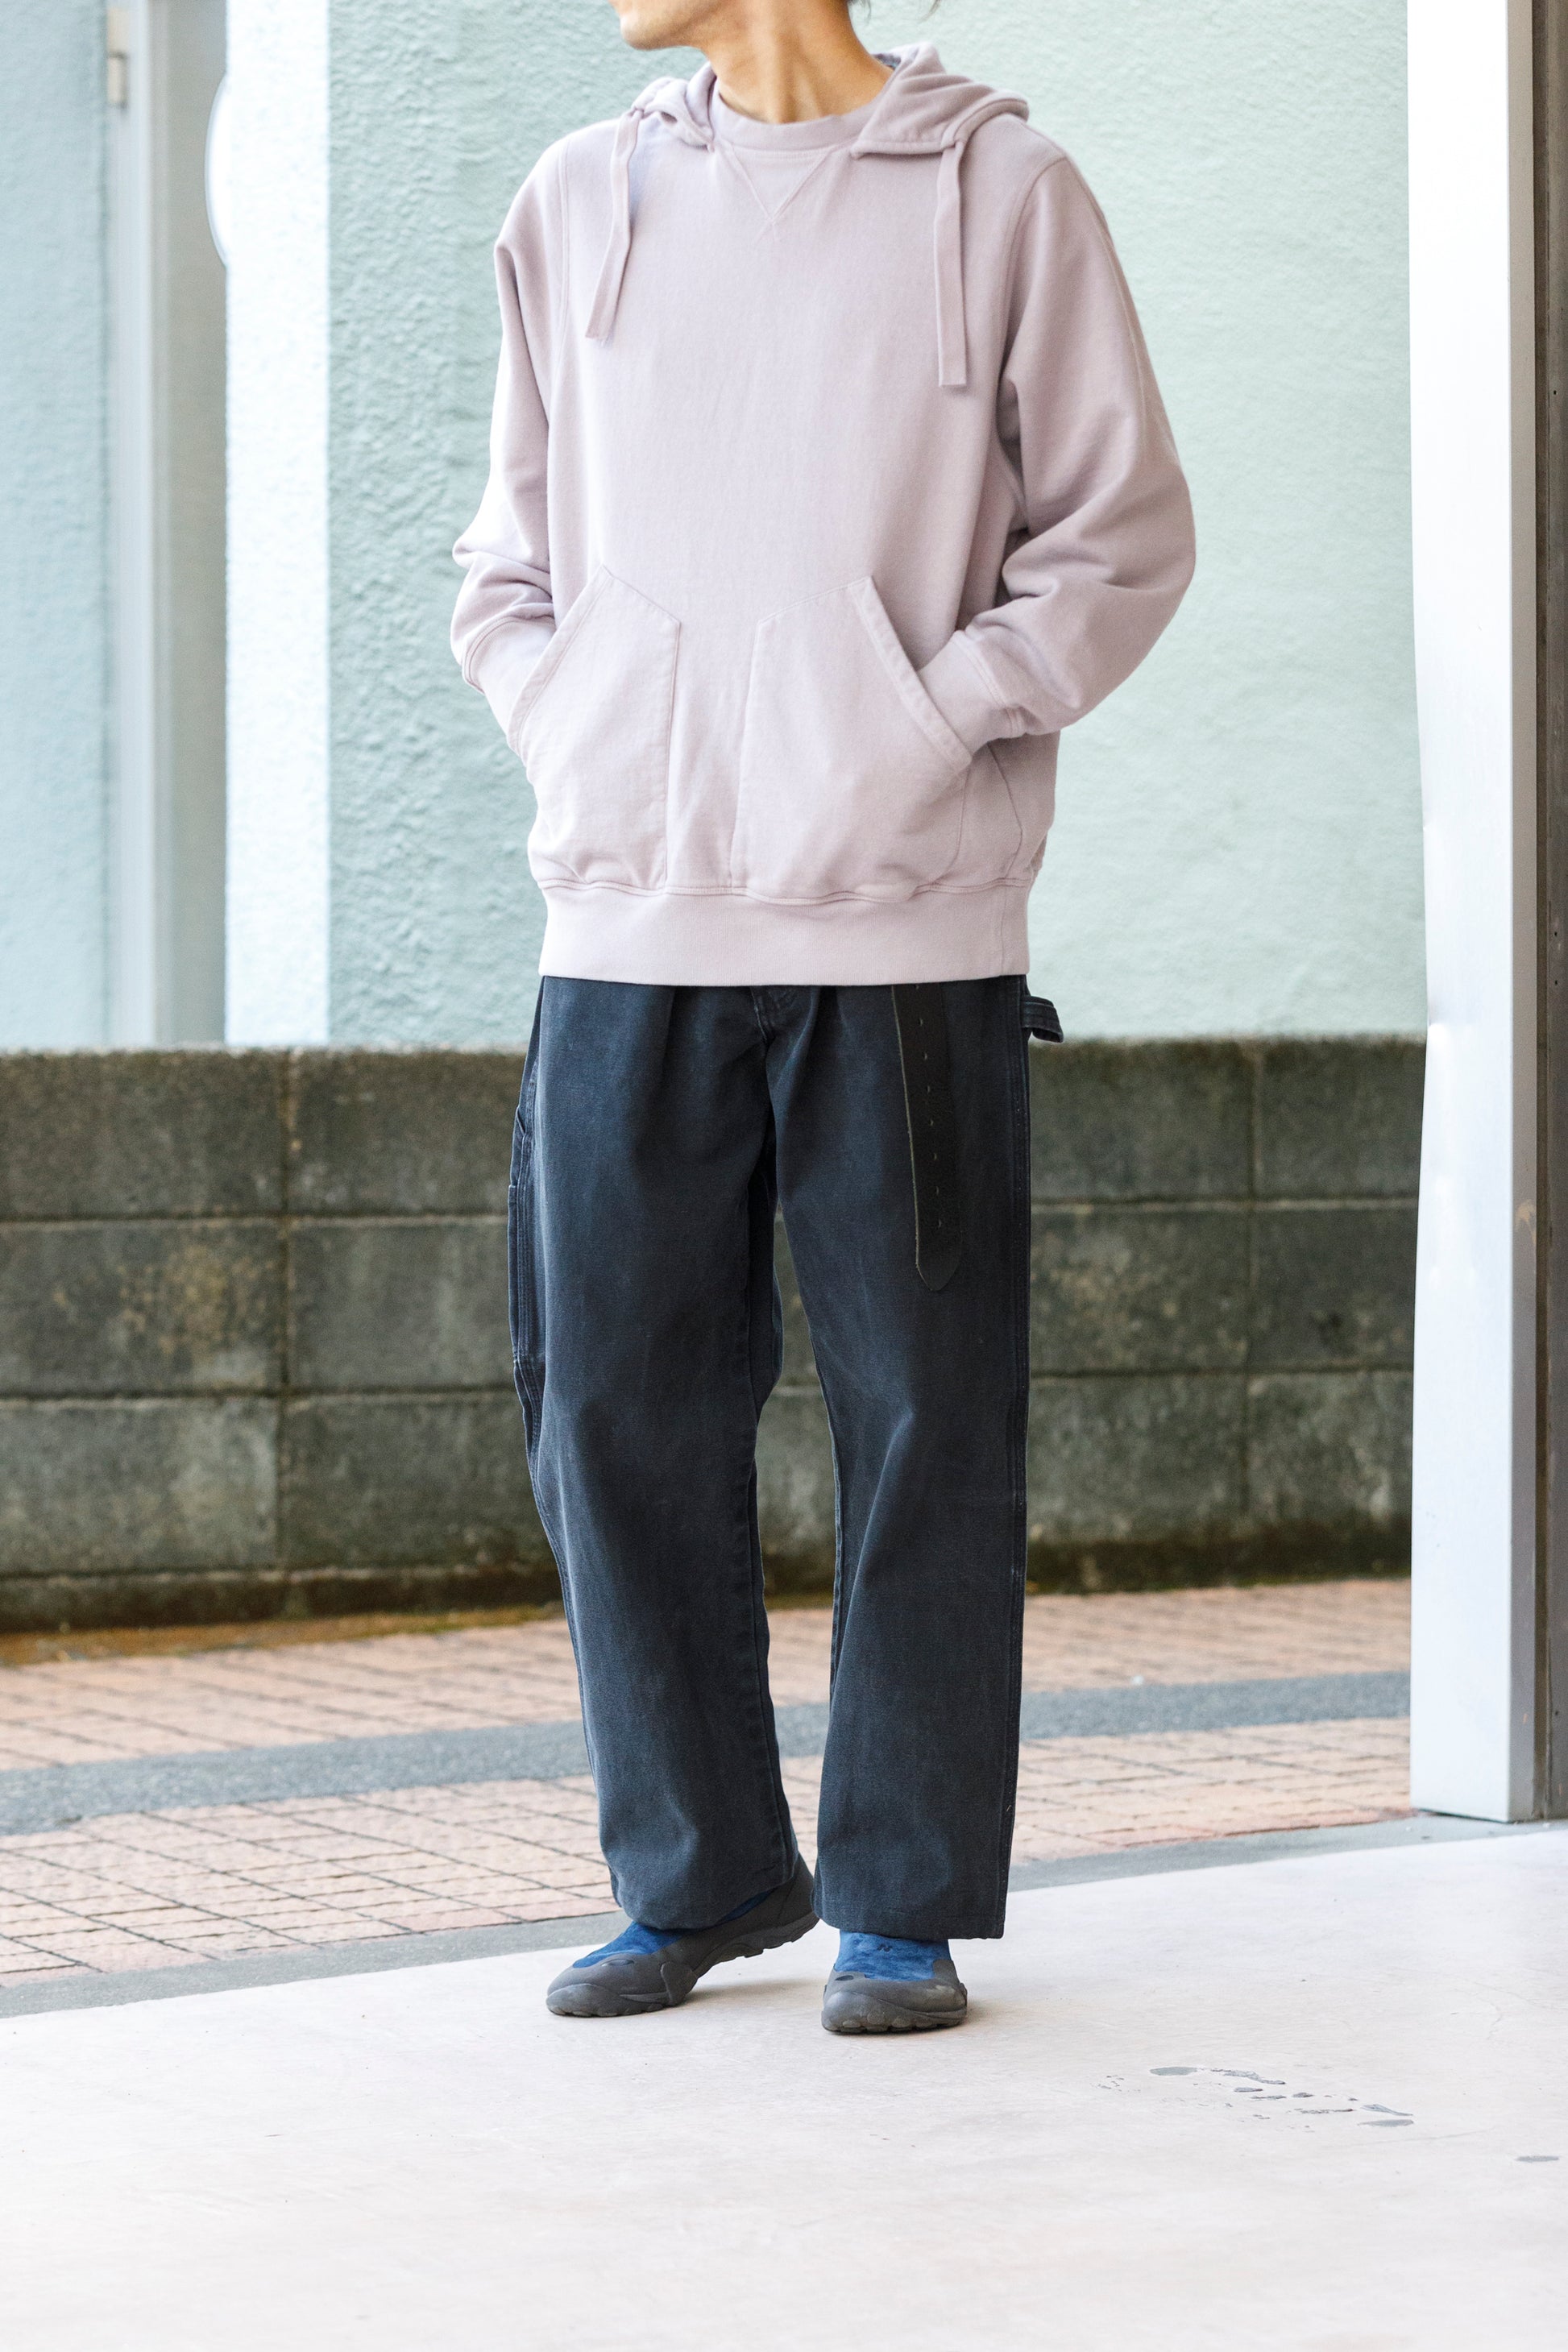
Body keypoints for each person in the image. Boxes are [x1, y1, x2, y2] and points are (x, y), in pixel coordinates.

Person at [452, 0, 1193, 2034]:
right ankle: (694, 1876)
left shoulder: (1004, 192)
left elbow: (1120, 538)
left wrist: (922, 724)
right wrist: (582, 731)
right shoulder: (576, 199)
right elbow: (505, 557)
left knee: (928, 1412)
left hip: (909, 930)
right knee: (607, 1409)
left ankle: (901, 1895)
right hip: (626, 918)